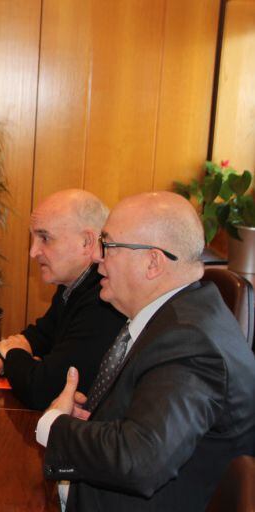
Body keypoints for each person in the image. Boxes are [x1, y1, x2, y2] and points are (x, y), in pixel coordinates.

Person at [37, 191, 255, 510]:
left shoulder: (191, 341)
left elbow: (142, 461)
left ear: (152, 262)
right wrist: (89, 427)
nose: (97, 256)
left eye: (108, 245)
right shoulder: (175, 315)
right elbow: (144, 423)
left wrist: (54, 425)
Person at [0, 189, 125, 409]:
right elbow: (42, 335)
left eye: (45, 238)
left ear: (87, 242)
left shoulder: (104, 300)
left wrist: (13, 354)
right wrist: (2, 360)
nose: (33, 252)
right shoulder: (72, 284)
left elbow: (42, 389)